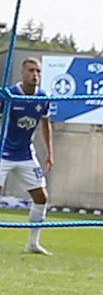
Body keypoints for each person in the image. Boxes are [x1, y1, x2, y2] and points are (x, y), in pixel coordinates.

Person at [2, 56, 54, 254]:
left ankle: (33, 243)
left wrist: (50, 153)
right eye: (31, 71)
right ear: (22, 73)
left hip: (25, 154)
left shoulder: (43, 97)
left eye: (38, 71)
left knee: (41, 197)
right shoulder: (9, 95)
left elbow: (45, 124)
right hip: (2, 153)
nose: (35, 75)